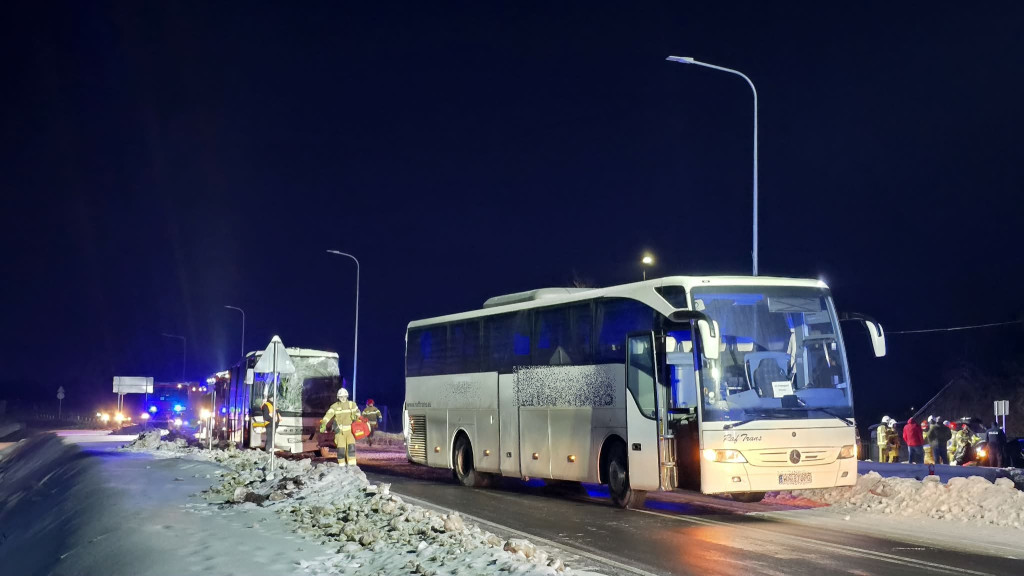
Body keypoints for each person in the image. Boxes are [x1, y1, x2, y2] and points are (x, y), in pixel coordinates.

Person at [319, 388, 361, 466]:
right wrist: (323, 423)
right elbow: (328, 415)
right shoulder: (334, 406)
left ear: (347, 396)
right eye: (341, 397)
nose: (343, 398)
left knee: (351, 448)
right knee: (341, 449)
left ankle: (352, 465)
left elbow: (358, 413)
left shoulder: (352, 405)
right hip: (340, 431)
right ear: (338, 397)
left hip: (350, 431)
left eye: (344, 396)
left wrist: (357, 416)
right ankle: (341, 465)